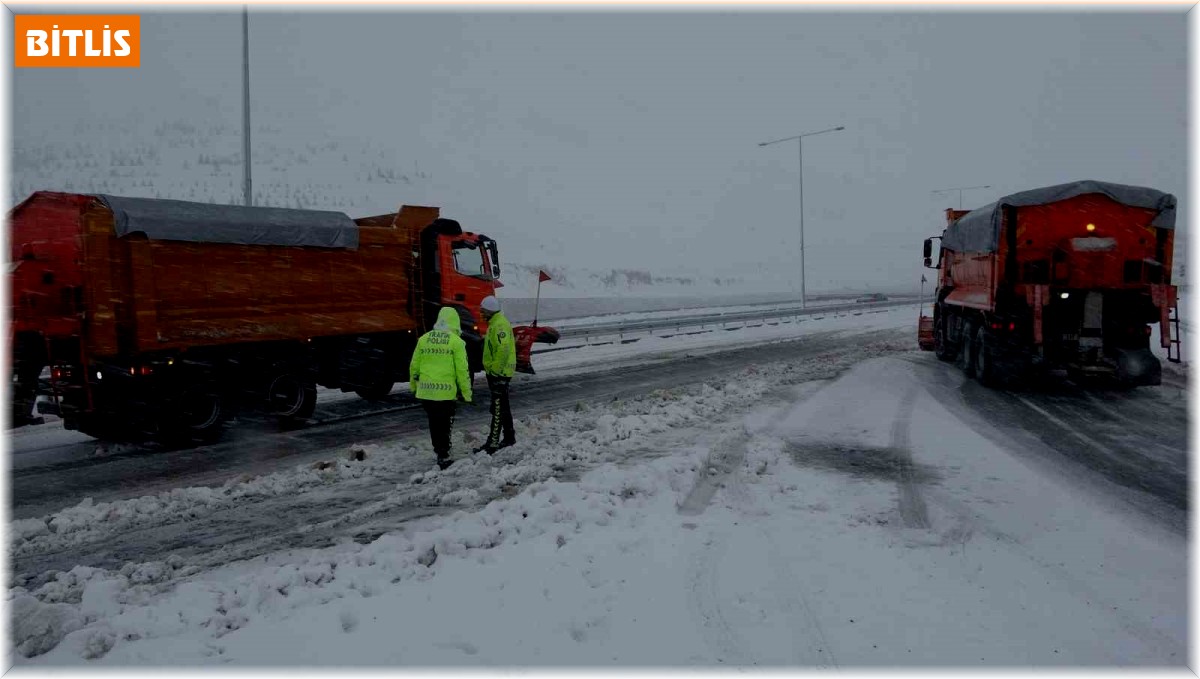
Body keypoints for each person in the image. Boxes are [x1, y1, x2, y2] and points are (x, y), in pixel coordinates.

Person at [410, 306, 473, 470]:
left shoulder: (423, 339)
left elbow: (414, 366)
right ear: (455, 321)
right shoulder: (456, 342)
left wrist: (413, 387)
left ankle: (439, 450)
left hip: (426, 391)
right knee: (445, 423)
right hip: (445, 393)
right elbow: (462, 371)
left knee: (434, 422)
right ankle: (444, 455)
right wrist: (466, 393)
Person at [474, 295, 517, 454]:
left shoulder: (499, 326)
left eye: (483, 311)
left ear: (490, 311)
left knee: (498, 409)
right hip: (499, 373)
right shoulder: (496, 323)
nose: (481, 314)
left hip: (500, 374)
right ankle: (509, 437)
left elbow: (503, 349)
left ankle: (492, 444)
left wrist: (495, 370)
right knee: (503, 407)